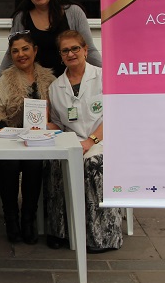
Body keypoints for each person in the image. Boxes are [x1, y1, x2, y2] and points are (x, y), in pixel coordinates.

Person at [47, 30, 122, 252]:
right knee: (55, 162)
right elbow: (59, 124)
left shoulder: (104, 77)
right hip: (74, 142)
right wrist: (42, 126)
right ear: (61, 56)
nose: (71, 54)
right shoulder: (55, 87)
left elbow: (115, 115)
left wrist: (91, 140)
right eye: (65, 51)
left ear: (85, 50)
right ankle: (61, 231)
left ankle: (102, 236)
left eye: (75, 48)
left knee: (93, 164)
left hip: (104, 140)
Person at [0, 32, 55, 244]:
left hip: (37, 142)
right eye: (15, 51)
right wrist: (11, 132)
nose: (21, 54)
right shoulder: (6, 79)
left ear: (35, 51)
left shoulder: (49, 80)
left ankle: (28, 219)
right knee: (11, 162)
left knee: (34, 162)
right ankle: (11, 218)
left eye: (25, 49)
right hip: (8, 142)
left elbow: (57, 115)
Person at [0, 0, 102, 94]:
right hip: (38, 86)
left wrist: (108, 74)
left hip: (72, 81)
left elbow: (90, 49)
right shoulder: (22, 18)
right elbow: (11, 52)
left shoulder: (74, 12)